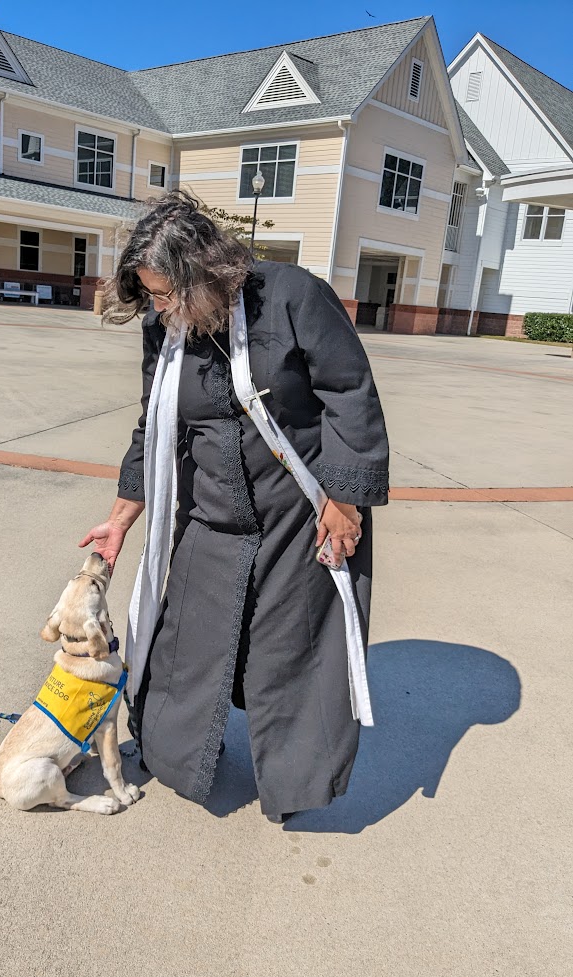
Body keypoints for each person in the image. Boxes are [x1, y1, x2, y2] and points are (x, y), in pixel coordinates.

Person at [79, 192, 389, 823]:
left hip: (298, 515)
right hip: (209, 513)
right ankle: (176, 754)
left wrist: (345, 502)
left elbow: (349, 394)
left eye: (167, 294)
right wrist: (120, 517)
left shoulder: (294, 296)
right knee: (186, 644)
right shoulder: (163, 326)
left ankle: (296, 785)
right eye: (152, 296)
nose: (160, 308)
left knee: (292, 653)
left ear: (207, 273)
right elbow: (155, 425)